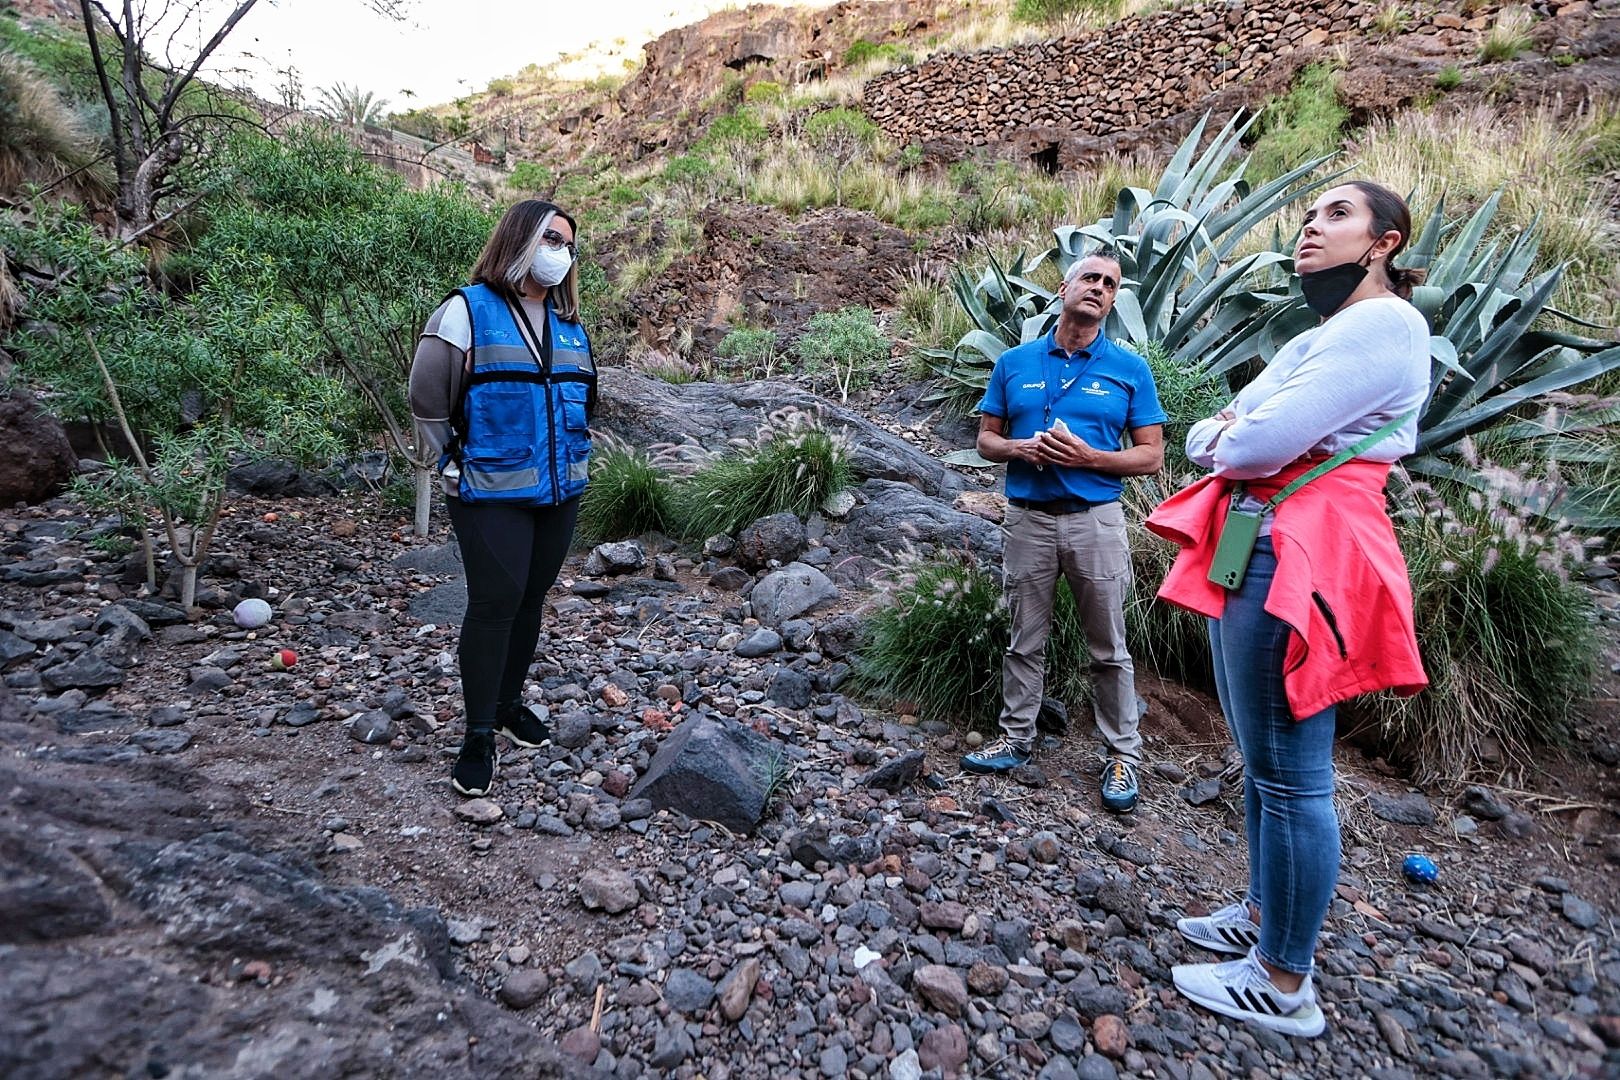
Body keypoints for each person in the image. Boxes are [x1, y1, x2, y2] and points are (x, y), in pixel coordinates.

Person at [1146, 181, 1431, 1038]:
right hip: (1261, 534)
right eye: (1307, 217)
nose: (1311, 228)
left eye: (1336, 215)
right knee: (1263, 755)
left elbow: (1254, 439)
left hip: (1301, 546)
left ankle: (1282, 981)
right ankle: (1266, 914)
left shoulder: (1386, 325)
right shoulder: (1323, 333)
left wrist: (1234, 432)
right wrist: (1227, 432)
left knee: (1291, 771)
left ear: (1384, 242)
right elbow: (1213, 431)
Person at [960, 249, 1166, 814]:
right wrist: (1019, 448)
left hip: (1095, 522)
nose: (1099, 287)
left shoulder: (1129, 368)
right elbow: (986, 440)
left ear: (1115, 300)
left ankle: (1123, 753)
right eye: (1090, 277)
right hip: (1027, 519)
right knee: (1024, 637)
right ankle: (1016, 739)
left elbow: (1150, 457)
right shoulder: (1015, 362)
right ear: (1063, 287)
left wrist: (1089, 459)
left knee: (1109, 645)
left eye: (1110, 283)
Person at [408, 199, 596, 797]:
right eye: (550, 239)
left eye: (567, 243)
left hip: (560, 490)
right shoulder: (466, 312)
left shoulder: (571, 326)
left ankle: (511, 705)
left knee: (532, 598)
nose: (560, 253)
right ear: (519, 240)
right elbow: (427, 396)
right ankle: (479, 733)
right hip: (489, 491)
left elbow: (585, 402)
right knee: (496, 601)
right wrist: (452, 459)